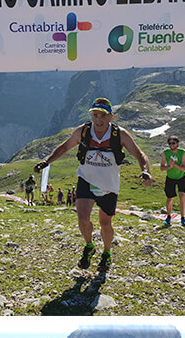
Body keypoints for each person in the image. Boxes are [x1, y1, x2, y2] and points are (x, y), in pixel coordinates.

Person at [34, 97, 154, 269]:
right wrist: (47, 161)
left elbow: (140, 154)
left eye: (103, 116)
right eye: (95, 115)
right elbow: (65, 147)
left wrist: (145, 170)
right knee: (82, 218)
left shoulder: (119, 134)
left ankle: (107, 253)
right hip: (86, 179)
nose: (99, 120)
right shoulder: (83, 131)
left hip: (109, 185)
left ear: (111, 117)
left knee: (105, 223)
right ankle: (89, 246)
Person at [161, 136, 185, 226]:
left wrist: (174, 165)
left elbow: (184, 168)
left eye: (173, 143)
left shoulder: (183, 152)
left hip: (181, 177)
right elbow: (162, 167)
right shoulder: (166, 153)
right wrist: (169, 167)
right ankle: (168, 216)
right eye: (169, 143)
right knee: (170, 198)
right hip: (170, 177)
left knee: (182, 195)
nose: (171, 145)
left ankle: (183, 217)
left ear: (177, 144)